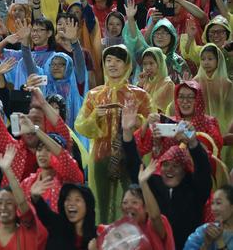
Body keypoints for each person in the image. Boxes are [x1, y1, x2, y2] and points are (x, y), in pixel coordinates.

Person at [74, 45, 151, 223]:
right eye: (108, 60)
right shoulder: (94, 95)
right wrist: (95, 116)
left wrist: (135, 121)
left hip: (130, 157)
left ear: (127, 65)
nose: (112, 64)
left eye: (117, 61)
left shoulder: (140, 95)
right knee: (100, 203)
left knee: (131, 202)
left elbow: (151, 125)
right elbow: (80, 126)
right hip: (101, 157)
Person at [123, 99, 212, 249]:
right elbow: (134, 166)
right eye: (165, 165)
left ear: (184, 170)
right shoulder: (154, 184)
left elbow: (203, 170)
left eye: (176, 166)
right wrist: (126, 132)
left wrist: (193, 144)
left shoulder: (195, 189)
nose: (169, 170)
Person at [31, 181, 97, 250]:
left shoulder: (97, 236)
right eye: (68, 199)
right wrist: (36, 197)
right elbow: (44, 213)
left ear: (88, 205)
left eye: (77, 200)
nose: (71, 203)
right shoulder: (58, 225)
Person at [184, 185, 233, 250]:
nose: (213, 208)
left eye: (218, 203)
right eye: (212, 203)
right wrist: (206, 243)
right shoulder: (204, 231)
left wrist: (219, 240)